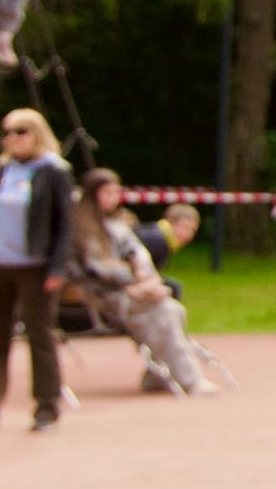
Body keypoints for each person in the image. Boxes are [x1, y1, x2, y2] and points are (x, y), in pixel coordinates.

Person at [0, 108, 75, 430]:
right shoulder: (2, 168)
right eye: (7, 133)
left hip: (35, 266)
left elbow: (65, 224)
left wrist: (58, 267)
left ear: (37, 133)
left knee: (39, 335)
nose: (12, 138)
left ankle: (46, 408)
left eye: (20, 131)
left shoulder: (54, 171)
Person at [71, 168, 213, 395]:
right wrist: (134, 284)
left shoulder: (117, 225)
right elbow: (99, 267)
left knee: (174, 309)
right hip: (101, 296)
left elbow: (139, 256)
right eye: (107, 192)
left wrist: (149, 282)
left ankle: (157, 374)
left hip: (130, 290)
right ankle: (190, 380)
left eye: (116, 192)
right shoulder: (81, 227)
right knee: (163, 313)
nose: (113, 198)